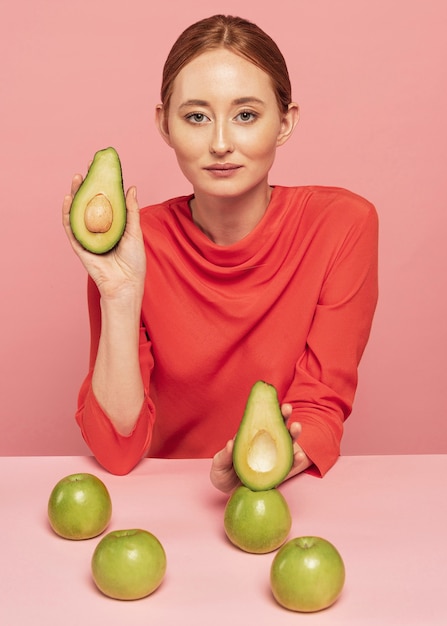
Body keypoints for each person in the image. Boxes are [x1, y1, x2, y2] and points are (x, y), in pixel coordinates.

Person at [62, 14, 378, 493]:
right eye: (196, 116)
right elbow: (117, 450)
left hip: (281, 499)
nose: (221, 143)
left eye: (246, 115)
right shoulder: (131, 245)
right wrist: (120, 293)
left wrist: (260, 467)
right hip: (161, 504)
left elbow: (319, 407)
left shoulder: (343, 225)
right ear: (164, 124)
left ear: (286, 121)